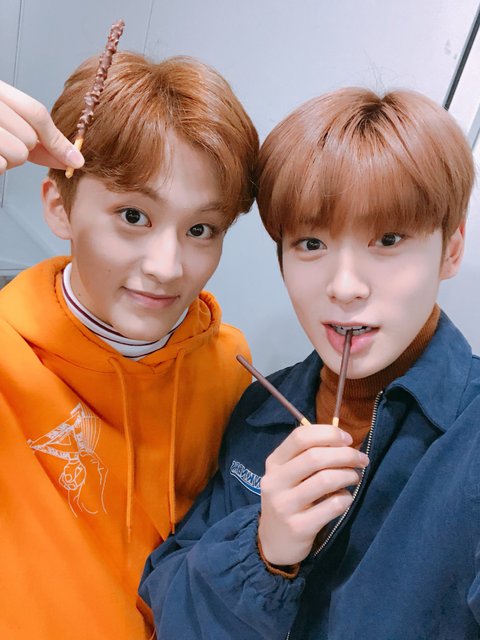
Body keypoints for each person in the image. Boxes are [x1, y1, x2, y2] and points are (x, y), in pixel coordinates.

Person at [140, 87, 480, 639]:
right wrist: (264, 552)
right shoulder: (262, 407)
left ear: (452, 248)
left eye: (388, 239)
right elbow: (169, 609)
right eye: (311, 244)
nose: (344, 287)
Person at [0, 50, 258, 639]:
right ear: (58, 207)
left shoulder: (231, 368)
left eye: (201, 229)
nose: (167, 267)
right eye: (133, 216)